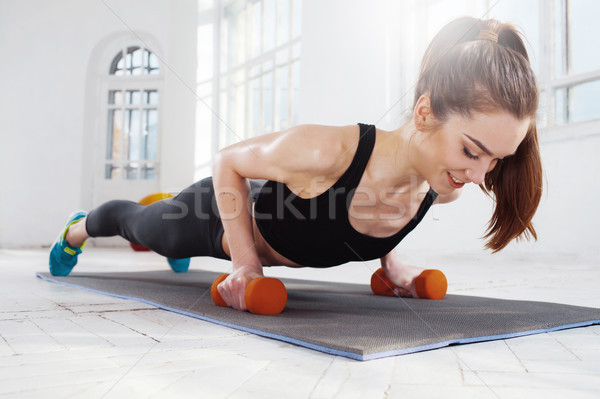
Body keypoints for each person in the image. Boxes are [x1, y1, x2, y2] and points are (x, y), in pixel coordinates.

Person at [49, 16, 542, 312]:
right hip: (213, 217)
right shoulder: (326, 151)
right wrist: (244, 265)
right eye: (472, 151)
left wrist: (392, 267)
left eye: (494, 162)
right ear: (424, 111)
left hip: (267, 236)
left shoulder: (445, 181)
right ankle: (78, 228)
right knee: (140, 224)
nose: (479, 176)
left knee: (157, 231)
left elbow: (383, 211)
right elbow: (228, 162)